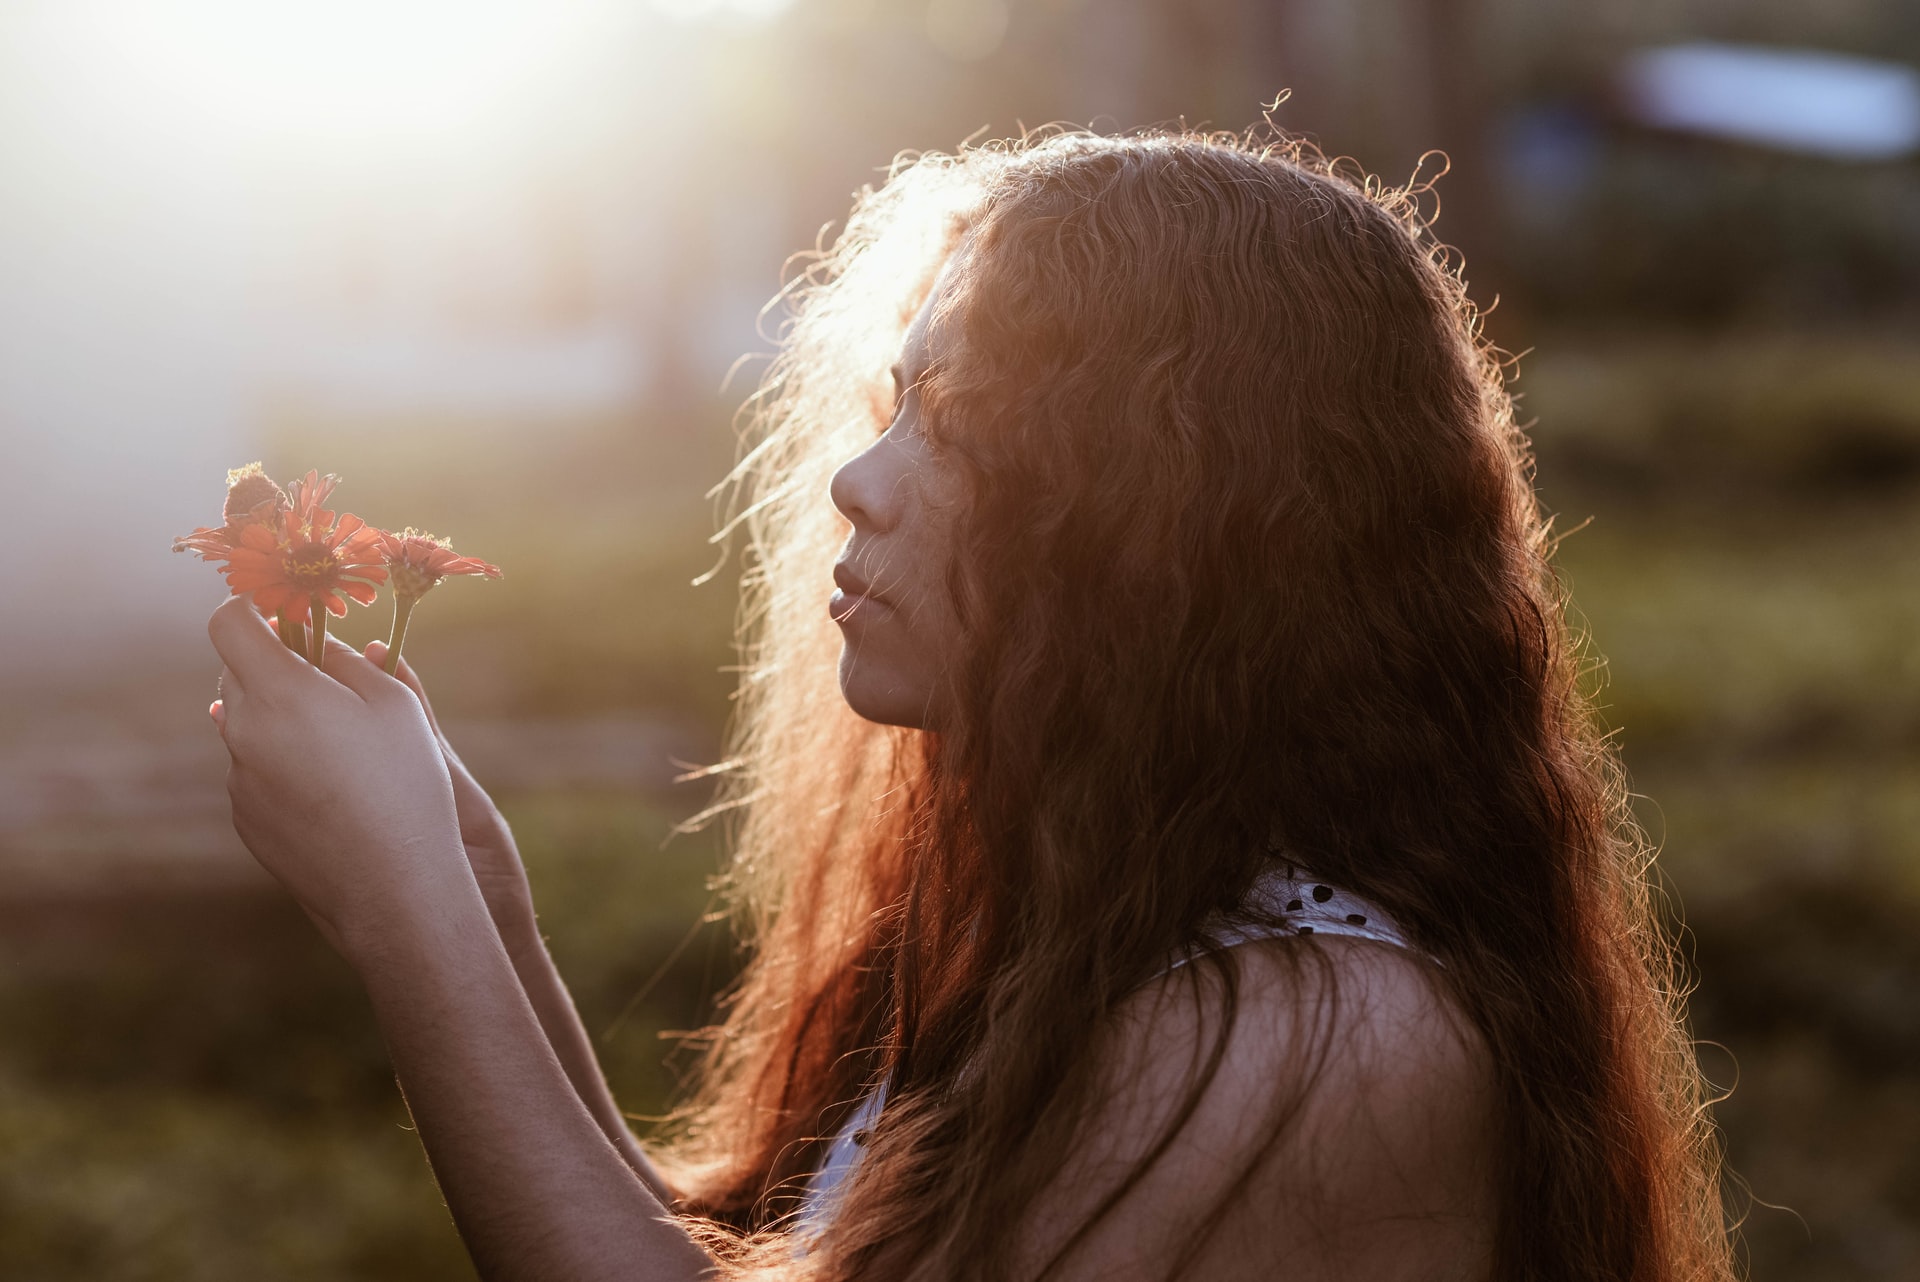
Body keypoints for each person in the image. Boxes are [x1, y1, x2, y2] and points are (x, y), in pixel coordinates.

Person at [206, 127, 1736, 1280]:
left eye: (957, 426)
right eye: (892, 411)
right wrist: (479, 900)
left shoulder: (1314, 1027)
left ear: (1163, 517)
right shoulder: (1108, 928)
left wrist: (408, 908)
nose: (855, 483)